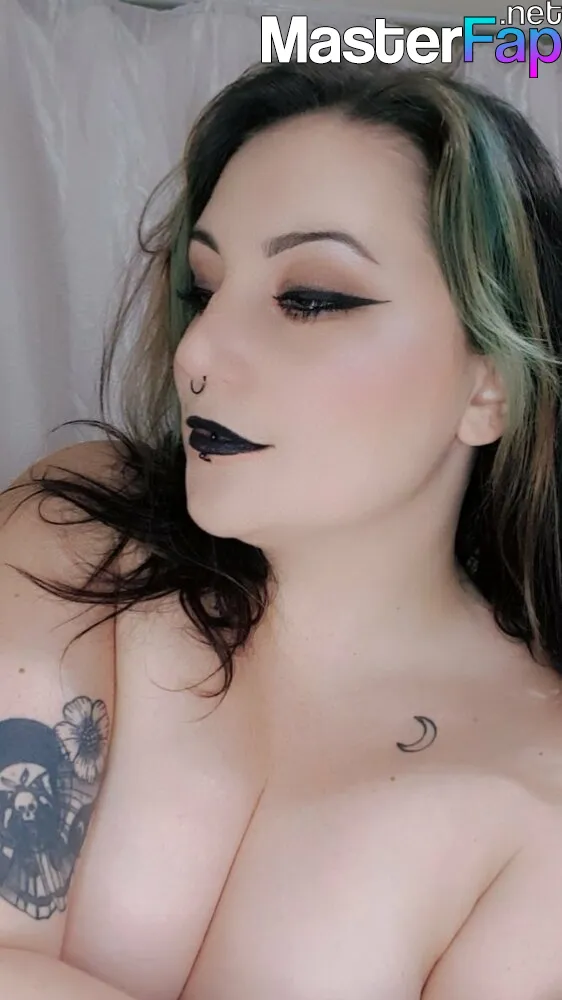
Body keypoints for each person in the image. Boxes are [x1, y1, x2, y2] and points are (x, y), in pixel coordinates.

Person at [1, 56, 562, 1000]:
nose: (198, 352)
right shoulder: (74, 536)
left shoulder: (539, 797)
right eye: (202, 289)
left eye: (311, 299)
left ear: (489, 384)